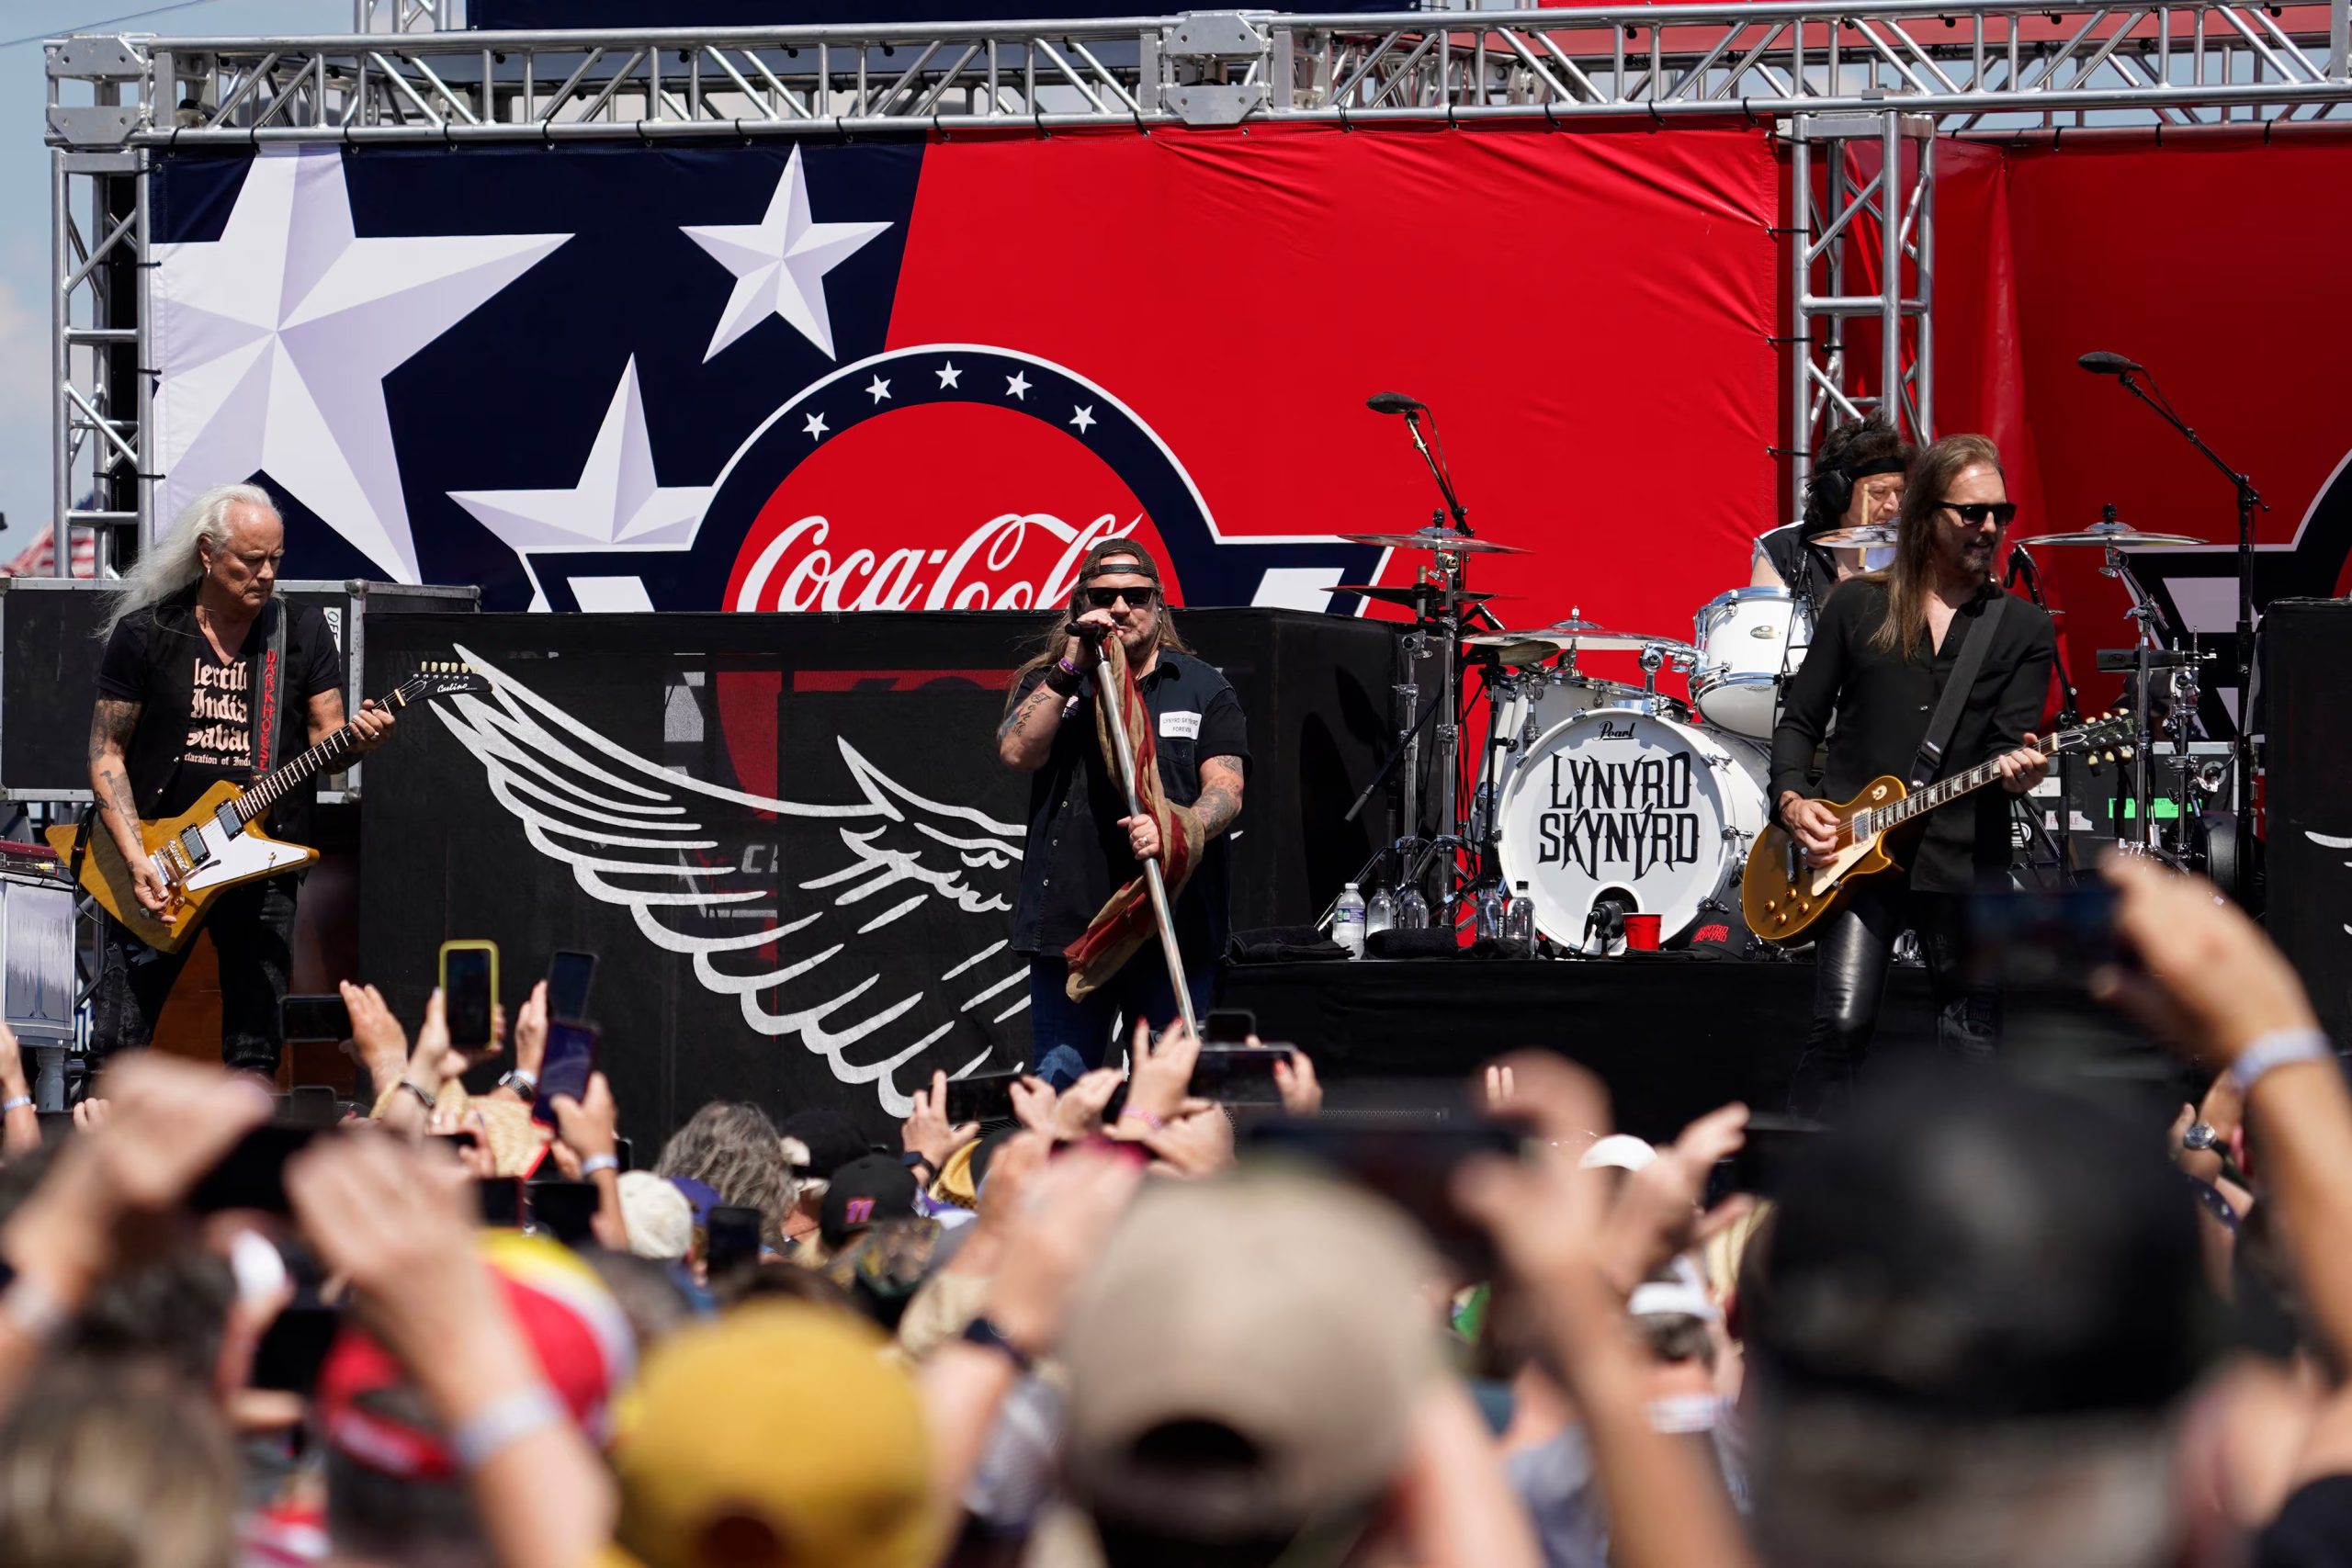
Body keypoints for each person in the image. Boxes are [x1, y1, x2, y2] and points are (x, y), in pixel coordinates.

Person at [1769, 434, 2057, 1118]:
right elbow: (1798, 722)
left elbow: (2005, 746)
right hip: (1852, 854)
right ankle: (1805, 1190)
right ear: (1925, 513)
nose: (1990, 527)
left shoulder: (2022, 628)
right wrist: (1791, 798)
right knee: (1839, 1026)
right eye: (1971, 512)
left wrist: (2020, 773)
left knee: (1971, 1044)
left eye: (2000, 513)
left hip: (1962, 859)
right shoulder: (1856, 606)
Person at [84, 483, 393, 1077]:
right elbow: (106, 753)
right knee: (117, 1045)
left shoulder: (297, 633)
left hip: (261, 864)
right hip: (160, 859)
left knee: (254, 1047)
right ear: (207, 552)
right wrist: (136, 858)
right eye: (250, 560)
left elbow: (331, 746)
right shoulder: (149, 633)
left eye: (276, 559)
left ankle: (246, 1160)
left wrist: (360, 738)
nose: (266, 574)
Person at [996, 539, 1249, 1078]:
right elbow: (1017, 751)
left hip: (1168, 918)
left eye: (1135, 595)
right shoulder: (1052, 682)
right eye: (1103, 596)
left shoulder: (1204, 688)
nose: (1119, 609)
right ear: (1078, 603)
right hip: (1074, 929)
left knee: (1171, 1098)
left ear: (1158, 604)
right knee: (1062, 1091)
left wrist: (1176, 830)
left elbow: (1227, 790)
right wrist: (1070, 668)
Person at [1749, 416, 1911, 594]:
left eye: (1899, 491)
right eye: (1878, 493)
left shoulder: (1910, 548)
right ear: (1837, 491)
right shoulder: (1783, 548)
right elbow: (1764, 621)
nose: (1893, 506)